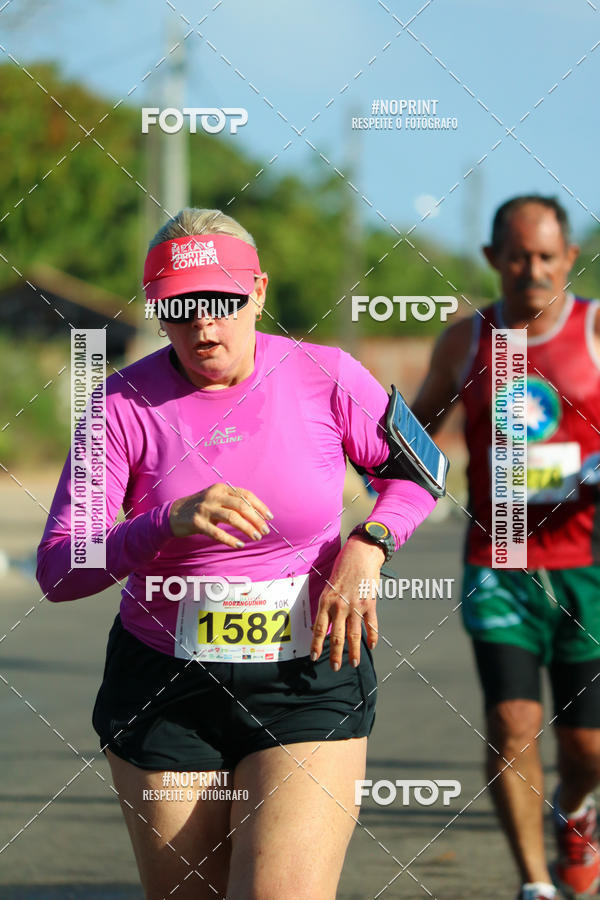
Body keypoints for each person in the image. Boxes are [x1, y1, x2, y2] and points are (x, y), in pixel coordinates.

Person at [36, 207, 437, 900]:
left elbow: (417, 472)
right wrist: (165, 522)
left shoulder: (326, 375)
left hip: (307, 680)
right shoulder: (121, 406)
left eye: (221, 303)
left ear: (258, 292)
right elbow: (59, 568)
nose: (204, 326)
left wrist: (369, 545)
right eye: (180, 308)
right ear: (159, 310)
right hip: (165, 683)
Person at [411, 195, 600, 900]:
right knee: (511, 720)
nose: (533, 270)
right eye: (518, 256)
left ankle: (577, 813)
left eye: (547, 256)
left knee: (587, 746)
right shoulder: (465, 342)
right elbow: (408, 434)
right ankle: (535, 887)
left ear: (569, 258)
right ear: (493, 259)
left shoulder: (594, 331)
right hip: (503, 559)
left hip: (590, 563)